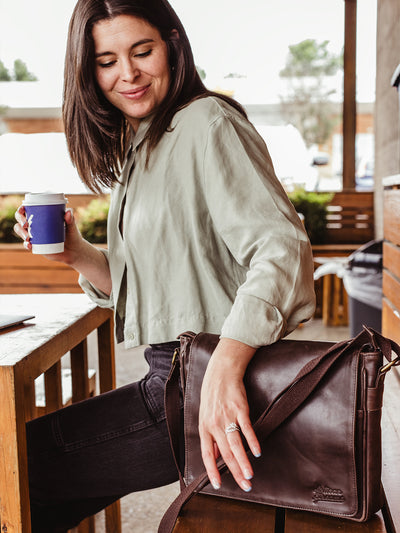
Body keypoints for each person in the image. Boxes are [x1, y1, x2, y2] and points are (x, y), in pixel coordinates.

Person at [14, 0, 316, 530]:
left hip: (205, 380)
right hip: (175, 374)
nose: (126, 74)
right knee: (31, 485)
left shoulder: (206, 122)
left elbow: (282, 249)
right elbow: (158, 284)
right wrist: (75, 253)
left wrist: (225, 363)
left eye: (142, 51)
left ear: (173, 44)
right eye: (106, 61)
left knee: (19, 467)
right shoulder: (146, 141)